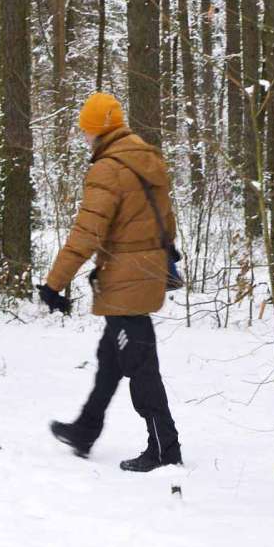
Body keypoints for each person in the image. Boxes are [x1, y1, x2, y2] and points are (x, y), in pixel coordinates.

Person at [38, 92, 182, 472]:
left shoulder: (108, 169)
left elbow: (86, 234)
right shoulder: (149, 157)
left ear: (99, 130)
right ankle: (86, 430)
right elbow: (168, 222)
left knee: (141, 368)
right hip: (146, 273)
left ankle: (165, 448)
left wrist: (54, 285)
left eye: (87, 131)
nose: (85, 138)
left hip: (124, 281)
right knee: (111, 358)